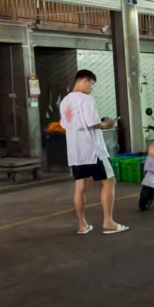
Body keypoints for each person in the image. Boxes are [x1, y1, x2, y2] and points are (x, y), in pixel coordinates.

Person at [59, 69, 129, 235]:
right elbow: (92, 123)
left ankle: (82, 225)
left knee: (80, 187)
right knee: (109, 182)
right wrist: (107, 124)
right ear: (85, 80)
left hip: (75, 153)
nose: (92, 88)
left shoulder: (65, 101)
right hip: (93, 151)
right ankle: (108, 222)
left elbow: (65, 125)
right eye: (92, 84)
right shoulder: (87, 99)